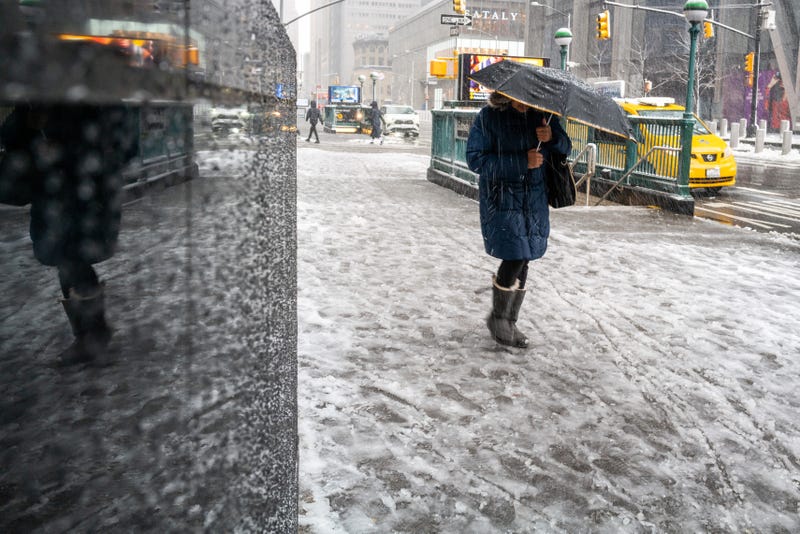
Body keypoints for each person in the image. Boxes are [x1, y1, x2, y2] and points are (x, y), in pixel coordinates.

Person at [0, 103, 138, 365]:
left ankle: (92, 337)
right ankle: (90, 335)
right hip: (54, 198)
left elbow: (123, 145)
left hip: (88, 198)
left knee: (74, 261)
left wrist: (66, 154)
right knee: (67, 263)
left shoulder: (95, 96)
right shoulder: (39, 97)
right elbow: (10, 134)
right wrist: (30, 122)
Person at [466, 92, 572, 348]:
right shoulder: (489, 117)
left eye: (528, 98)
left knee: (526, 256)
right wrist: (521, 162)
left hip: (534, 198)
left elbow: (566, 147)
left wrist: (553, 137)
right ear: (505, 94)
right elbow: (476, 159)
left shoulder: (544, 117)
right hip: (502, 197)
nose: (523, 102)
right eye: (517, 97)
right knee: (515, 253)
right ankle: (499, 318)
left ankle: (509, 321)